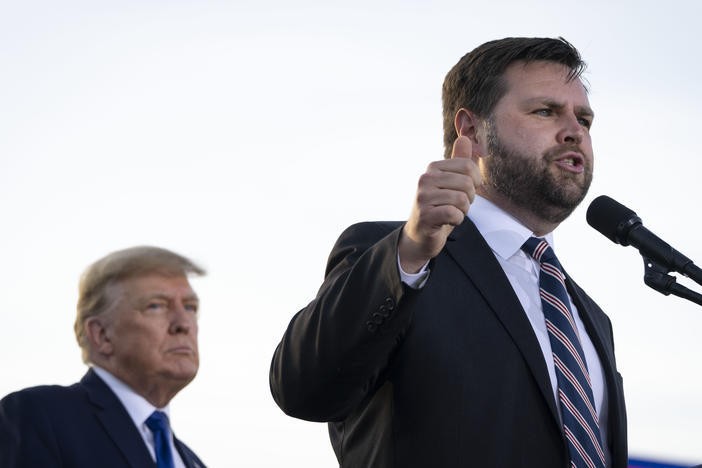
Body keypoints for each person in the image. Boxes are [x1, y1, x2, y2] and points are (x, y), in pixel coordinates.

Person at [270, 37, 627, 467]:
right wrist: (411, 251)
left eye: (584, 119)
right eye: (545, 111)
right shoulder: (399, 259)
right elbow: (305, 389)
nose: (575, 130)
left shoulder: (588, 316)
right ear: (472, 131)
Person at [0, 246, 207, 468]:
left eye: (190, 307)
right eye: (156, 306)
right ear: (101, 335)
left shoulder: (191, 461)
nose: (183, 324)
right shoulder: (40, 416)